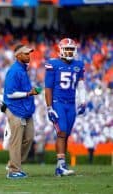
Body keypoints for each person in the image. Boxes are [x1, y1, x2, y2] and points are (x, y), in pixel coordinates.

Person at [45, 38, 86, 176]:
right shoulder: (53, 64)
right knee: (61, 132)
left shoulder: (79, 64)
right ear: (60, 50)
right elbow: (48, 88)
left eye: (71, 49)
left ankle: (61, 165)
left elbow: (80, 85)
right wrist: (49, 107)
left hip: (71, 104)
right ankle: (60, 165)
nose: (69, 52)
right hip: (58, 102)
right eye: (66, 49)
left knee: (66, 134)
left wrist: (83, 101)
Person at [3, 44, 41, 179]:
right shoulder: (14, 71)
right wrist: (29, 93)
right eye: (25, 53)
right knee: (16, 140)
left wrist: (31, 92)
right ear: (18, 55)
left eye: (29, 53)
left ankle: (13, 163)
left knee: (29, 137)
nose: (28, 55)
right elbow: (10, 94)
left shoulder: (23, 70)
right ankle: (14, 170)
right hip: (15, 109)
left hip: (25, 110)